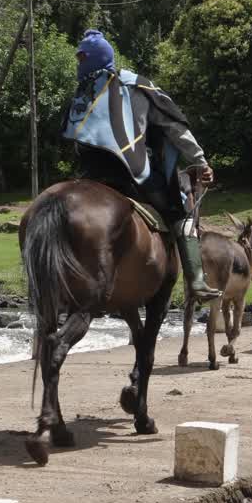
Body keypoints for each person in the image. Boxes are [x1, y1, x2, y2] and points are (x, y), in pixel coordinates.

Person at [65, 29, 221, 300]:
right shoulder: (136, 84)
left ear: (91, 58)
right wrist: (199, 160)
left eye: (81, 58)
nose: (79, 64)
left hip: (89, 176)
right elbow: (174, 128)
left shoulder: (82, 94)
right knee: (181, 209)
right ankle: (195, 280)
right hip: (133, 174)